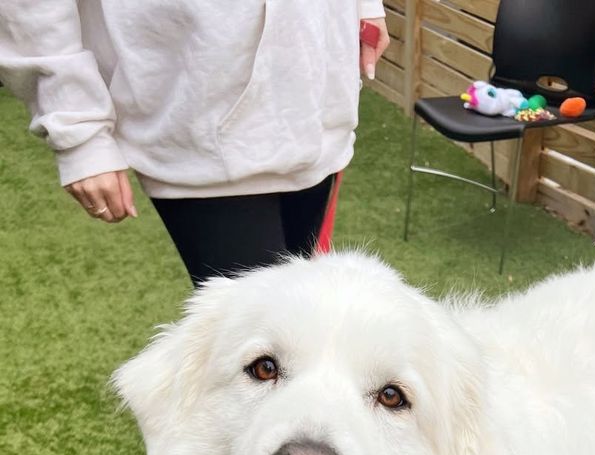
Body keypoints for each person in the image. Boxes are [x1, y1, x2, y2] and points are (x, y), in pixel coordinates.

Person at [0, 1, 389, 285]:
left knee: (303, 323)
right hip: (193, 107)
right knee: (253, 351)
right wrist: (76, 127)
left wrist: (363, 6)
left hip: (318, 87)